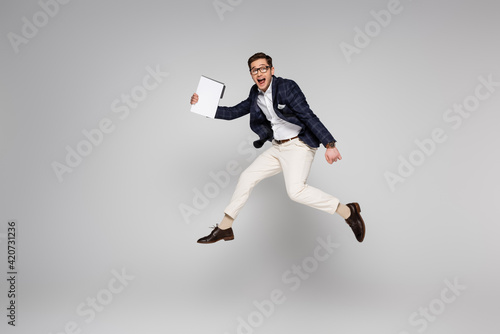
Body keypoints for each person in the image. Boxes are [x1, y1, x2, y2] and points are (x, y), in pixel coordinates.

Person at [190, 52, 366, 244]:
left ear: (272, 70)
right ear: (251, 74)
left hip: (299, 145)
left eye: (263, 68)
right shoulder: (254, 93)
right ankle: (225, 228)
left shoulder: (287, 87)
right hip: (278, 147)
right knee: (247, 177)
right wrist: (203, 106)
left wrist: (329, 144)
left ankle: (348, 212)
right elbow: (233, 111)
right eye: (254, 70)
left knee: (296, 191)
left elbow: (308, 115)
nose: (259, 73)